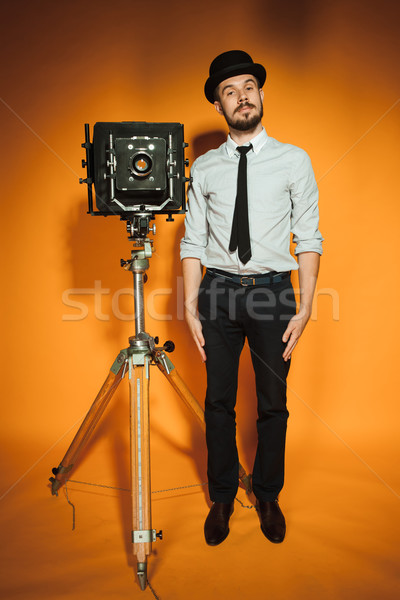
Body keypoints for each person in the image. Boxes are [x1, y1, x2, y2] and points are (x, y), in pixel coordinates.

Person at [180, 50, 323, 546]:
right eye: (229, 91)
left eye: (248, 86)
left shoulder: (294, 160)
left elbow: (309, 237)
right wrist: (189, 304)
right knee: (217, 401)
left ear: (260, 94)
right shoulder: (204, 169)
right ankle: (222, 495)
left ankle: (267, 494)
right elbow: (192, 242)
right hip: (217, 293)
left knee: (273, 403)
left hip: (272, 294)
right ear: (219, 106)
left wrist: (304, 306)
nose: (242, 97)